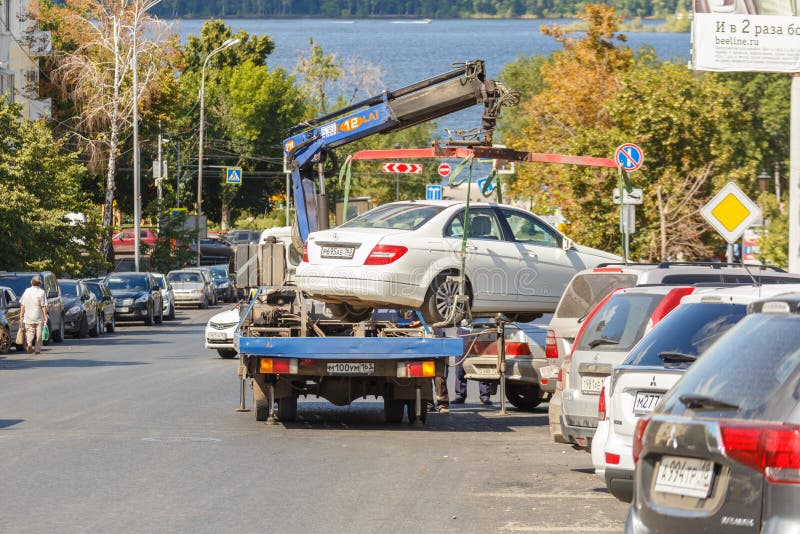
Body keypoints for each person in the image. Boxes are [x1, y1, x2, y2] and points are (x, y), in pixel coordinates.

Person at [19, 275, 48, 355]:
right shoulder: (41, 292)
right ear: (40, 283)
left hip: (28, 316)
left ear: (32, 282)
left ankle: (29, 343)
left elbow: (23, 304)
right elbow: (43, 306)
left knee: (29, 332)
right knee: (39, 334)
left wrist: (21, 314)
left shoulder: (26, 291)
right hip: (38, 316)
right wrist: (45, 316)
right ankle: (37, 349)